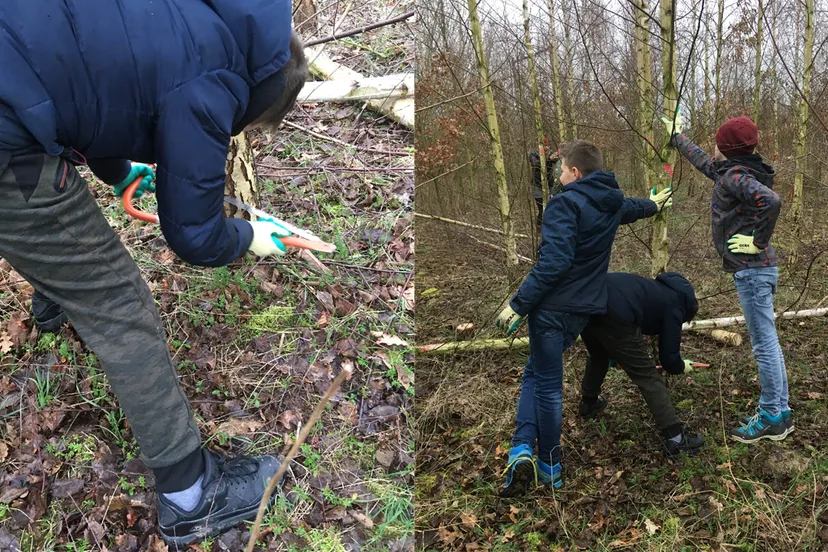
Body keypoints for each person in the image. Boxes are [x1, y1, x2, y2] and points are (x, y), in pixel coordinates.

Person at [0, 1, 309, 546]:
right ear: (263, 102)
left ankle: (53, 301)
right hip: (6, 131)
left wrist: (119, 169)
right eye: (254, 127)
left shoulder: (190, 20)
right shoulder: (218, 84)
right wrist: (252, 237)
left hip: (15, 72)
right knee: (123, 307)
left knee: (65, 248)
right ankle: (190, 495)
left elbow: (99, 81)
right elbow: (193, 235)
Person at [494, 139, 674, 497]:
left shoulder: (564, 204)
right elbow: (632, 208)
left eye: (561, 170)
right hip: (582, 312)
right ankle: (522, 447)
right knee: (536, 372)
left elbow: (554, 263)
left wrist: (519, 303)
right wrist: (653, 204)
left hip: (551, 310)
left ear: (575, 173)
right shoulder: (610, 203)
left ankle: (549, 464)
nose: (559, 176)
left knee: (546, 384)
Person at [663, 111, 793, 443]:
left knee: (764, 344)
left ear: (728, 149)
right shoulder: (738, 171)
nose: (714, 149)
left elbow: (772, 202)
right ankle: (779, 411)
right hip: (758, 270)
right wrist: (677, 137)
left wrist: (757, 241)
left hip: (754, 271)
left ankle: (771, 417)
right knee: (769, 342)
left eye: (718, 144)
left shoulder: (735, 176)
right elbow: (708, 164)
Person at [578, 272, 705, 459]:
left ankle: (588, 404)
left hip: (586, 300)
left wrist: (615, 352)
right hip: (616, 312)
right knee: (646, 375)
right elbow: (669, 360)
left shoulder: (654, 289)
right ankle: (676, 438)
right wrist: (681, 366)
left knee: (598, 356)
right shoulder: (676, 306)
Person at [529, 146, 562, 229]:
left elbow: (559, 161)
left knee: (551, 206)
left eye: (548, 147)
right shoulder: (533, 155)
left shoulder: (550, 154)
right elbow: (536, 164)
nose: (546, 149)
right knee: (541, 209)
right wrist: (549, 159)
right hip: (537, 185)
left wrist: (560, 155)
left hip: (549, 185)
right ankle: (539, 227)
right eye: (544, 148)